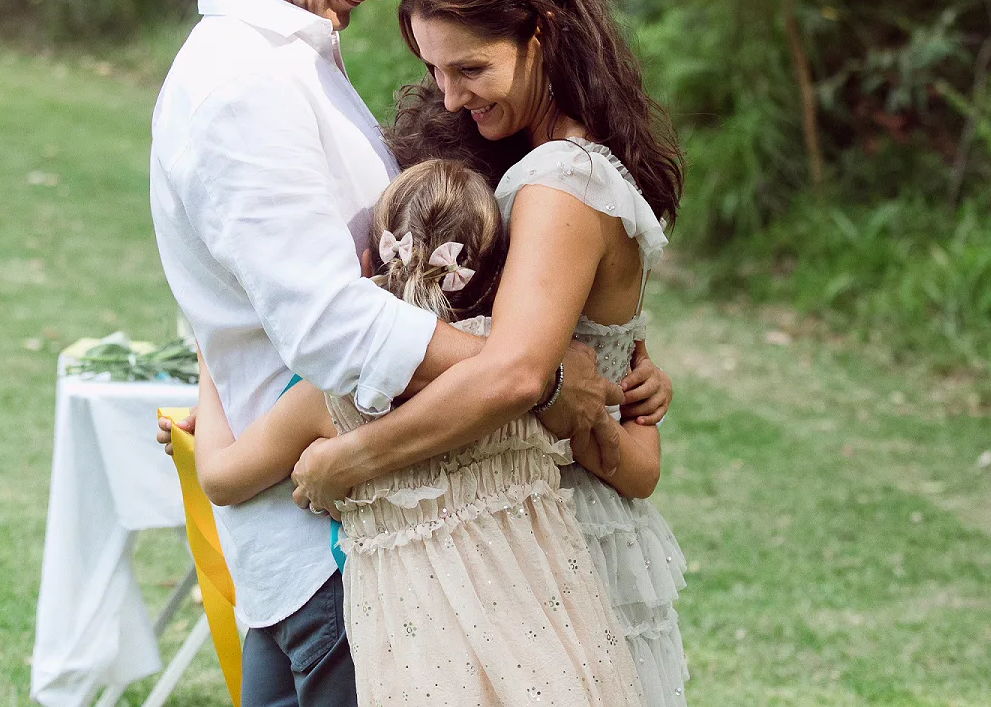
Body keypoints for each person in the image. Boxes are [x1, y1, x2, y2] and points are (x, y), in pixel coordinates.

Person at [149, 0, 653, 707]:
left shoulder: (294, 59)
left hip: (354, 527)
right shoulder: (243, 85)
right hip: (333, 550)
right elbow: (333, 327)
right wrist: (530, 372)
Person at [289, 0, 692, 705]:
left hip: (552, 538)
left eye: (469, 67)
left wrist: (350, 461)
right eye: (435, 71)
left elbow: (515, 373)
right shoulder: (553, 167)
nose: (450, 94)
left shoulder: (558, 182)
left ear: (541, 33)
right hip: (515, 522)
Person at [192, 158, 650, 705]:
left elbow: (221, 478)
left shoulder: (334, 398)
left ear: (366, 265)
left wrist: (211, 359)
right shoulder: (525, 381)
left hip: (418, 653)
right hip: (543, 635)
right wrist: (641, 393)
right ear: (502, 279)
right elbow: (630, 464)